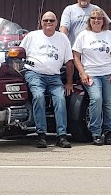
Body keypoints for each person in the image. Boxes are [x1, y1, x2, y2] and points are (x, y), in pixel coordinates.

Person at [19, 11, 73, 148]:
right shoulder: (32, 36)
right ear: (41, 22)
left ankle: (61, 136)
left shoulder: (63, 38)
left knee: (60, 99)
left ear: (56, 23)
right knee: (38, 96)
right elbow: (19, 54)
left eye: (51, 20)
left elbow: (69, 62)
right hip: (35, 74)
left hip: (55, 76)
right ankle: (41, 135)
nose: (48, 23)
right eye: (45, 20)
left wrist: (69, 82)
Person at [72, 9, 111, 146]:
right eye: (93, 18)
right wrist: (82, 72)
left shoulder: (110, 35)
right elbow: (76, 56)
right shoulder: (83, 35)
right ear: (89, 20)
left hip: (107, 73)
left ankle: (109, 131)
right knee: (96, 99)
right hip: (91, 73)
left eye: (99, 18)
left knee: (109, 103)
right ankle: (96, 132)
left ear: (103, 20)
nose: (96, 20)